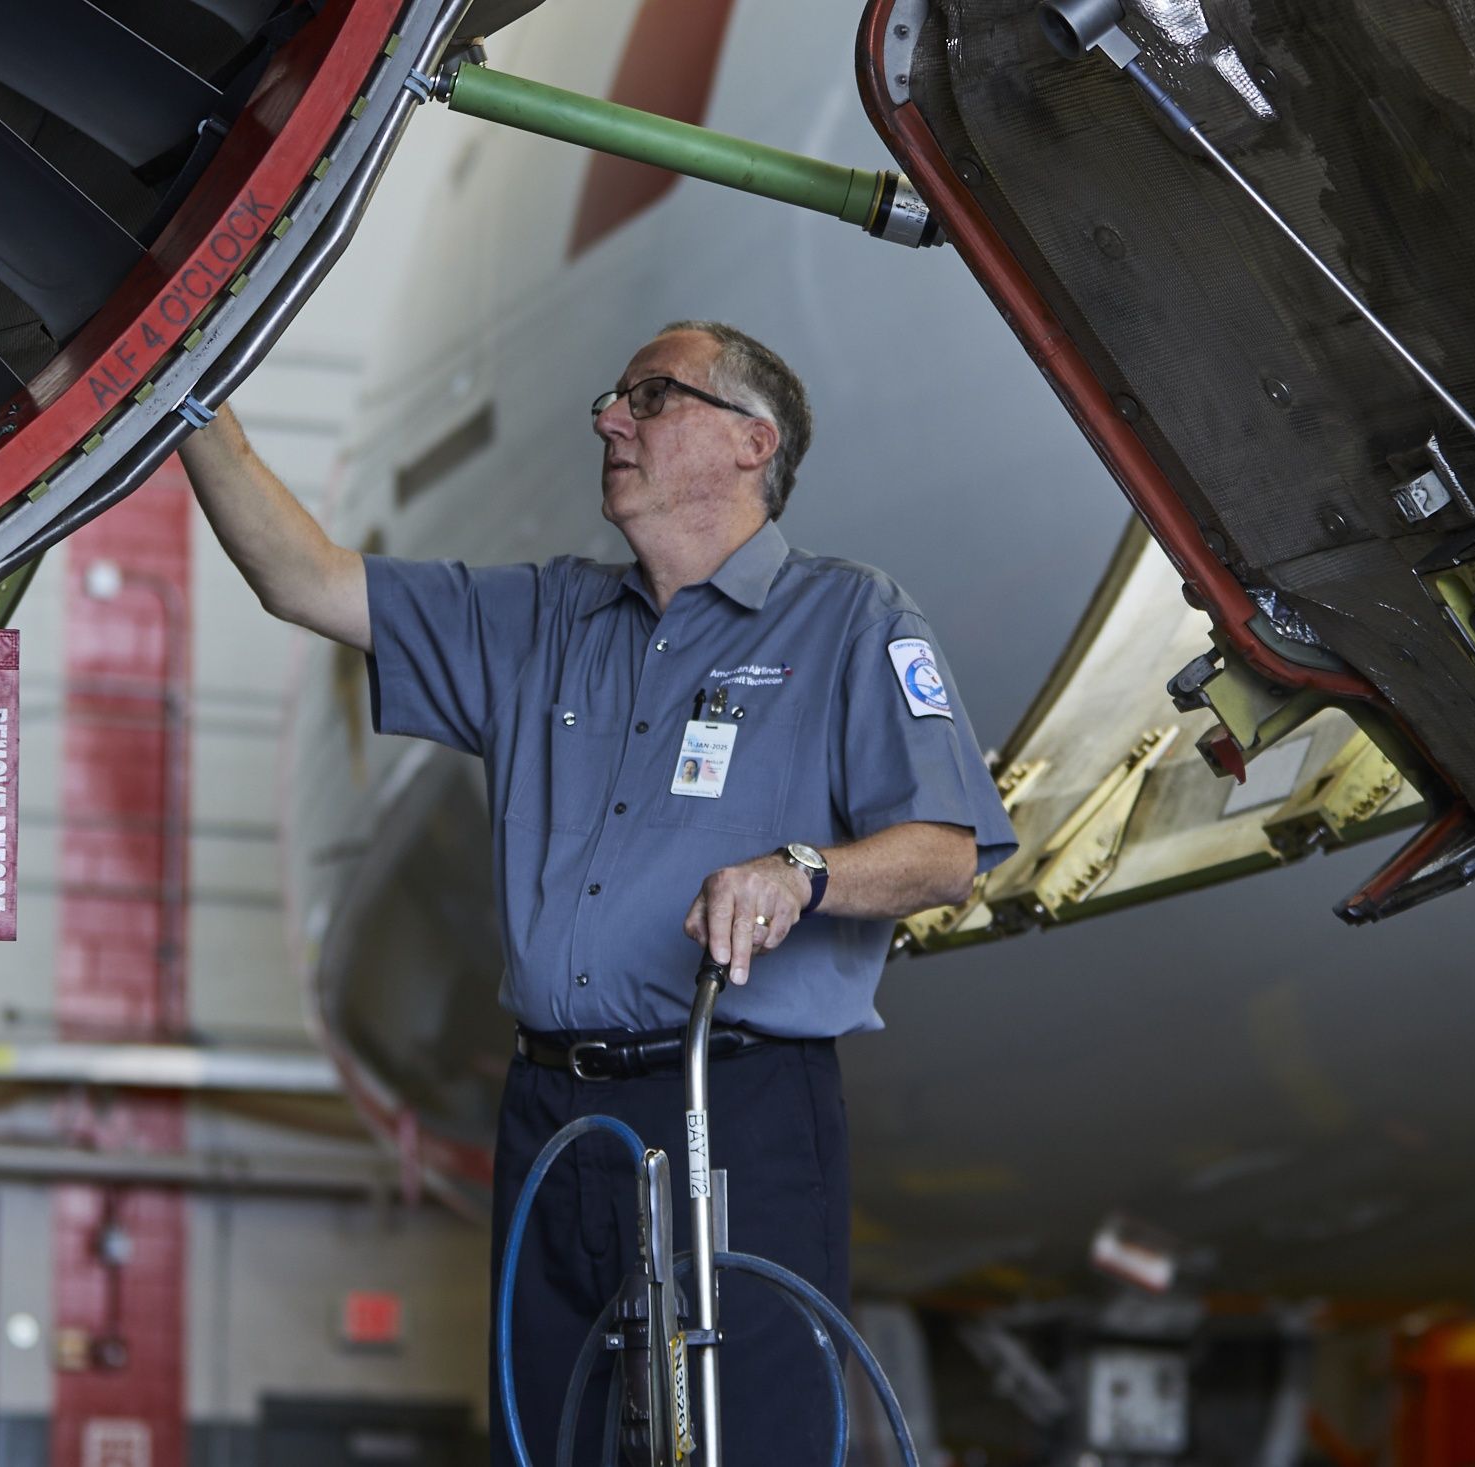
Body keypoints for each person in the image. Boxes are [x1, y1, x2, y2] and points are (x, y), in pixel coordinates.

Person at [180, 320, 1016, 1464]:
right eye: (613, 400)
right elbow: (302, 578)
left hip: (731, 1102)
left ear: (748, 442)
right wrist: (182, 396)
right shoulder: (540, 620)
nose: (608, 421)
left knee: (748, 1442)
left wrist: (802, 873)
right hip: (549, 1111)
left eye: (650, 398)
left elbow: (946, 852)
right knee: (553, 1435)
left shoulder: (849, 620)